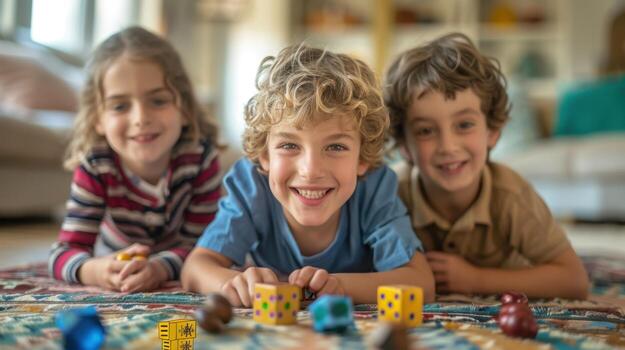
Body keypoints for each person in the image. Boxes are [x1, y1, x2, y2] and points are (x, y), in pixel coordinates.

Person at [181, 44, 435, 306]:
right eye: (289, 145)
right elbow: (196, 267)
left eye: (336, 147)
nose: (311, 170)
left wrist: (339, 286)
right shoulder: (251, 186)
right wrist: (233, 283)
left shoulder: (374, 189)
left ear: (363, 159)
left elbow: (421, 283)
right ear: (265, 156)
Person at [384, 33, 589, 300]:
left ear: (492, 131)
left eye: (464, 125)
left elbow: (573, 280)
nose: (448, 146)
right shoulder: (390, 194)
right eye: (425, 130)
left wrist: (475, 279)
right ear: (404, 145)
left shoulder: (511, 195)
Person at [48, 26, 222, 293]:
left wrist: (160, 267)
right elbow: (63, 253)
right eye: (120, 106)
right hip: (116, 257)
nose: (140, 118)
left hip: (177, 258)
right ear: (98, 119)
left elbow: (204, 248)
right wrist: (95, 270)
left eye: (158, 101)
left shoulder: (200, 159)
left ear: (185, 109)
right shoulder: (96, 165)